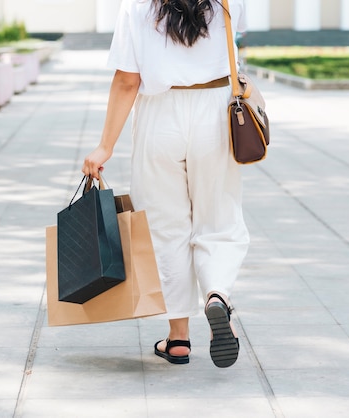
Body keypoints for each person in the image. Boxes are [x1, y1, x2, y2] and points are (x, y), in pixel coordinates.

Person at [81, 0, 250, 368]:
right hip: (216, 113)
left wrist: (105, 145)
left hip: (160, 113)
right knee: (218, 216)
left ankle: (178, 338)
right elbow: (235, 45)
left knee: (165, 226)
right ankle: (217, 294)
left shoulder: (136, 6)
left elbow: (128, 81)